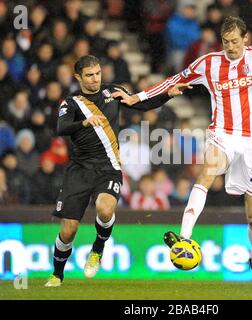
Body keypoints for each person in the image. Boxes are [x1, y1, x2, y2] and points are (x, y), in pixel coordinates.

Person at [114, 17, 252, 288]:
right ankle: (184, 237)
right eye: (226, 42)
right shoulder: (208, 63)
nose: (230, 47)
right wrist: (138, 97)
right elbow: (174, 80)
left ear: (245, 39)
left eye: (235, 41)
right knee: (205, 174)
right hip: (223, 135)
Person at [44, 55, 190, 287]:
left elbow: (139, 103)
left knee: (104, 208)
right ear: (78, 77)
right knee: (69, 229)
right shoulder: (71, 103)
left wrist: (167, 95)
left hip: (109, 167)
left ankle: (97, 250)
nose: (95, 79)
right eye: (89, 75)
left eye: (98, 73)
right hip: (79, 170)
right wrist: (84, 122)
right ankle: (57, 274)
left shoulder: (112, 92)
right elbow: (61, 128)